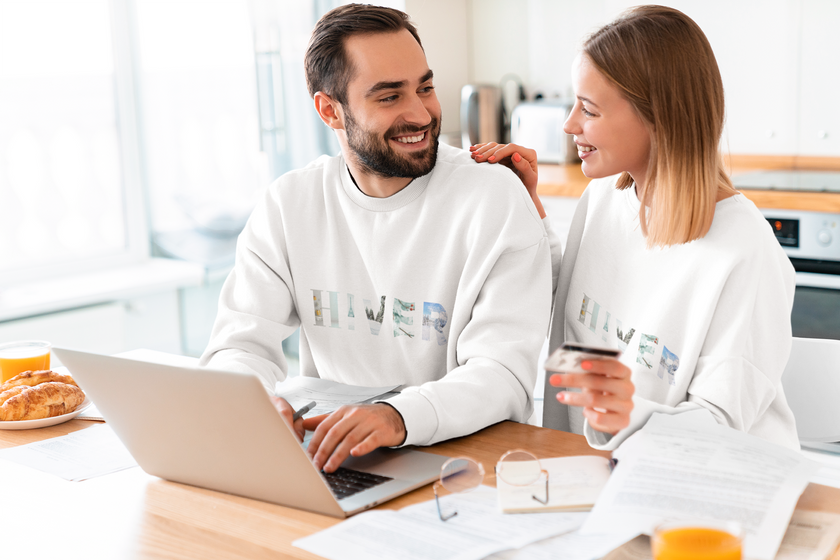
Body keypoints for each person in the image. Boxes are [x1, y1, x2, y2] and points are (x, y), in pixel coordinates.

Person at [200, 4, 553, 473]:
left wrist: (396, 417)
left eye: (424, 87)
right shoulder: (290, 203)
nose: (419, 113)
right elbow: (237, 345)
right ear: (330, 111)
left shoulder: (492, 196)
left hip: (467, 466)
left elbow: (503, 374)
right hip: (336, 458)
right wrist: (254, 401)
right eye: (389, 97)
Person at [471, 5, 799, 451]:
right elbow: (563, 299)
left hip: (706, 494)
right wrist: (528, 211)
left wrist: (629, 414)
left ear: (657, 117)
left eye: (588, 109)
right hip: (588, 472)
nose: (569, 125)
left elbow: (723, 429)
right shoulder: (605, 199)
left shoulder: (744, 251)